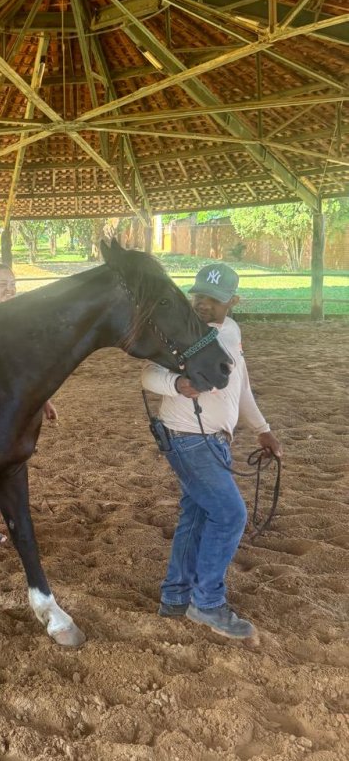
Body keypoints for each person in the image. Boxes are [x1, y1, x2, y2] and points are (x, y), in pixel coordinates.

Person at [141, 262, 282, 640]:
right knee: (229, 514)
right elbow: (148, 375)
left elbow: (242, 386)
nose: (203, 304)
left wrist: (262, 429)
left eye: (214, 299)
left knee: (197, 515)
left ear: (233, 301)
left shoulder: (232, 332)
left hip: (216, 439)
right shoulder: (181, 331)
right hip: (187, 436)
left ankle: (175, 596)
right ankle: (206, 603)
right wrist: (176, 383)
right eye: (199, 295)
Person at [0, 264, 58, 550]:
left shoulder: (18, 321)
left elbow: (25, 367)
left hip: (10, 405)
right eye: (3, 283)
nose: (10, 289)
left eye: (13, 284)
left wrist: (43, 398)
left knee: (2, 463)